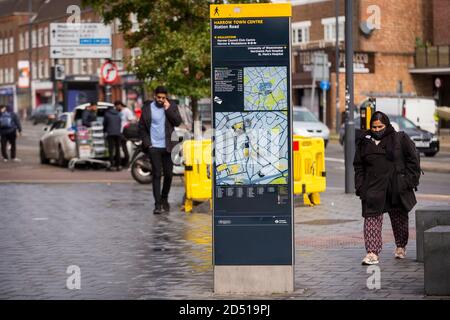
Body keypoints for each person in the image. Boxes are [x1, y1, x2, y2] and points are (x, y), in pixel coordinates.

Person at [354, 111, 420, 265]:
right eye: (374, 127)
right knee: (371, 219)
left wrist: (408, 182)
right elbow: (358, 166)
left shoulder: (399, 139)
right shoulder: (364, 141)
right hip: (373, 188)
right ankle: (372, 253)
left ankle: (401, 246)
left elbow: (413, 161)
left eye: (380, 126)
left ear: (387, 125)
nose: (377, 130)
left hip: (396, 186)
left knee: (399, 219)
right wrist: (360, 186)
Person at [138, 86, 182, 214]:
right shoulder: (147, 108)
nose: (161, 100)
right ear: (154, 96)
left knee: (168, 174)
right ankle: (157, 205)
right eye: (159, 97)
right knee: (157, 174)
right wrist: (148, 144)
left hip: (168, 147)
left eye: (163, 98)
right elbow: (141, 128)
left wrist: (168, 109)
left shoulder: (171, 106)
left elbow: (177, 122)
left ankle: (164, 198)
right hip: (154, 147)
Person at [114, 100, 136, 167]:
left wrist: (127, 126)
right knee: (120, 147)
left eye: (116, 106)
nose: (116, 108)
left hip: (125, 131)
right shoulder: (118, 112)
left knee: (123, 147)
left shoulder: (126, 111)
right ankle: (123, 161)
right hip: (119, 131)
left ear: (120, 105)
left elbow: (132, 120)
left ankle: (126, 161)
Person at [103, 105, 123, 171]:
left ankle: (111, 165)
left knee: (111, 150)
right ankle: (119, 165)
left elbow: (104, 124)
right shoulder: (118, 114)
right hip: (118, 133)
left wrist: (104, 131)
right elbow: (120, 123)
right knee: (118, 150)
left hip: (110, 134)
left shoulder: (107, 114)